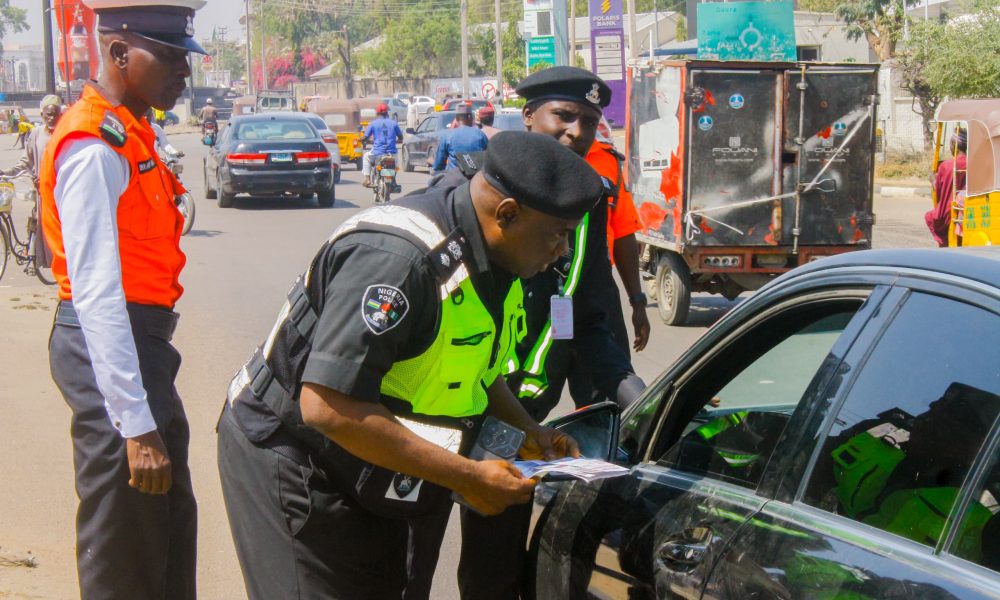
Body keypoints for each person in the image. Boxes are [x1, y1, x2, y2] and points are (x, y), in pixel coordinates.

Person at [217, 131, 599, 599]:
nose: (563, 250)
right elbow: (328, 406)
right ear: (507, 213)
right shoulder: (398, 261)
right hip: (299, 457)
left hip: (383, 461)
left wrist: (528, 429)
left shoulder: (500, 259)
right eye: (557, 234)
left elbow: (479, 369)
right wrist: (466, 477)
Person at [38, 2, 206, 598]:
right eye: (170, 57)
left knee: (163, 533)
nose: (184, 71)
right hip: (111, 343)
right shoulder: (94, 144)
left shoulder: (131, 129)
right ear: (117, 53)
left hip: (140, 345)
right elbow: (96, 293)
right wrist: (134, 424)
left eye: (186, 58)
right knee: (126, 552)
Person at [2, 94, 63, 272]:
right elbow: (26, 161)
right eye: (48, 114)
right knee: (40, 226)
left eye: (56, 114)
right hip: (43, 193)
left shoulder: (64, 133)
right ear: (42, 115)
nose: (52, 118)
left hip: (61, 193)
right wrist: (6, 172)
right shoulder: (36, 134)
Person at [926, 127, 967, 247]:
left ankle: (944, 245)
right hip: (968, 211)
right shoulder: (976, 163)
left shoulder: (947, 166)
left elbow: (939, 191)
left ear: (954, 145)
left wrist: (933, 180)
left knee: (929, 216)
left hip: (948, 214)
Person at [432, 104, 488, 173]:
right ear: (470, 117)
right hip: (476, 176)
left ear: (456, 119)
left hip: (454, 176)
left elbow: (438, 164)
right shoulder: (480, 134)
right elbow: (488, 157)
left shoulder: (447, 136)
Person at [362, 101, 403, 188]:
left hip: (377, 152)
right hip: (392, 152)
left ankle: (367, 179)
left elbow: (365, 137)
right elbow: (401, 137)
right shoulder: (394, 123)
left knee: (366, 157)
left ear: (378, 113)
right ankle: (393, 180)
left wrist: (361, 140)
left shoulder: (373, 124)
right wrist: (399, 140)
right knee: (396, 167)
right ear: (387, 112)